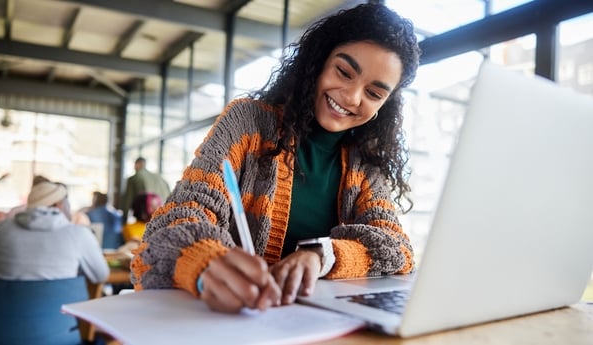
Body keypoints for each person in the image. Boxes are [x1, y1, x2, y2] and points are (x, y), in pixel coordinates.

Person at [131, 3, 419, 313]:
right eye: (344, 72)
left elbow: (397, 248)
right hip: (229, 321)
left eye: (374, 93)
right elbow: (173, 223)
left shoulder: (364, 165)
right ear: (319, 61)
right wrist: (204, 261)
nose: (351, 97)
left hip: (318, 326)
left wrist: (322, 255)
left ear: (385, 105)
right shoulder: (247, 124)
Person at [0, 181, 109, 283]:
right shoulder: (79, 234)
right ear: (58, 204)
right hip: (60, 311)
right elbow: (101, 275)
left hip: (4, 310)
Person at [121, 157, 170, 223]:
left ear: (137, 164)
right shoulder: (160, 178)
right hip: (163, 218)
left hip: (145, 219)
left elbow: (128, 201)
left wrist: (123, 220)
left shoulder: (135, 178)